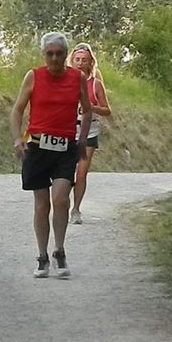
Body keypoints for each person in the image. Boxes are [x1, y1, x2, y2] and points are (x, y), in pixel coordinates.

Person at [10, 32, 92, 278]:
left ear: (66, 55)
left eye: (59, 54)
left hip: (65, 148)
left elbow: (87, 111)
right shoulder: (34, 76)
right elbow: (17, 110)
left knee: (60, 199)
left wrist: (82, 137)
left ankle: (59, 250)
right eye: (50, 54)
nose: (54, 58)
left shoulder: (77, 78)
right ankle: (42, 256)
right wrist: (17, 139)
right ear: (43, 55)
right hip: (37, 146)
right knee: (42, 204)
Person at [68, 43, 111, 225]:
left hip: (89, 132)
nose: (80, 63)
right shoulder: (64, 82)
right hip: (67, 132)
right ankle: (63, 204)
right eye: (77, 59)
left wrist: (91, 107)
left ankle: (76, 209)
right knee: (65, 173)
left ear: (90, 62)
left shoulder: (95, 85)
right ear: (72, 61)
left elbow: (107, 110)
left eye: (84, 60)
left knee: (81, 173)